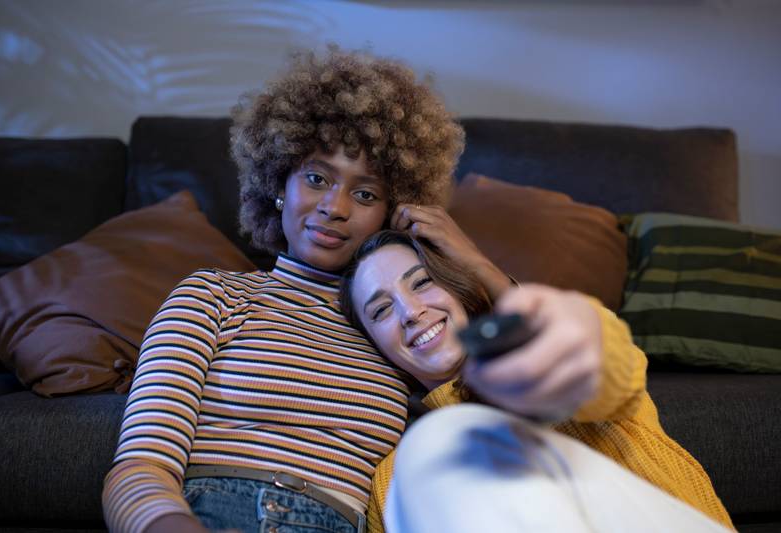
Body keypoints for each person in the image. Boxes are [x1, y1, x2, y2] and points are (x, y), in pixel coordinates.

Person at [102, 47, 508, 533]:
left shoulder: (400, 326)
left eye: (365, 193)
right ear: (279, 183)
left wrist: (477, 264)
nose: (334, 208)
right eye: (316, 178)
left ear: (392, 212)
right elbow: (139, 466)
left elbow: (521, 386)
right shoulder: (210, 295)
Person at [340, 230, 735, 533]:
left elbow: (606, 361)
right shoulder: (395, 482)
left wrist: (573, 337)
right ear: (377, 347)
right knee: (432, 449)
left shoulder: (557, 370)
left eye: (423, 282)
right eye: (381, 310)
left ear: (458, 287)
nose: (410, 311)